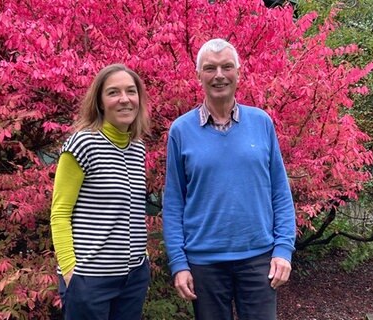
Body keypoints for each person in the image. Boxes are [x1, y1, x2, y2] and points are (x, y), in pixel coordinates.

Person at [162, 38, 296, 320]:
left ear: (238, 71)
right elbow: (174, 202)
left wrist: (283, 249)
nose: (219, 75)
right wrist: (179, 263)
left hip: (259, 259)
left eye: (226, 67)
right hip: (204, 263)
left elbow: (280, 193)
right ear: (199, 75)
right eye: (210, 68)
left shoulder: (261, 123)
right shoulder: (181, 131)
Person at [50, 64, 150, 320]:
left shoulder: (137, 147)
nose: (124, 99)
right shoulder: (83, 144)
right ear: (101, 102)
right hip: (90, 278)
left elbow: (131, 209)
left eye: (131, 91)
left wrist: (142, 256)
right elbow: (60, 212)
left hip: (133, 276)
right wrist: (71, 271)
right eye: (114, 92)